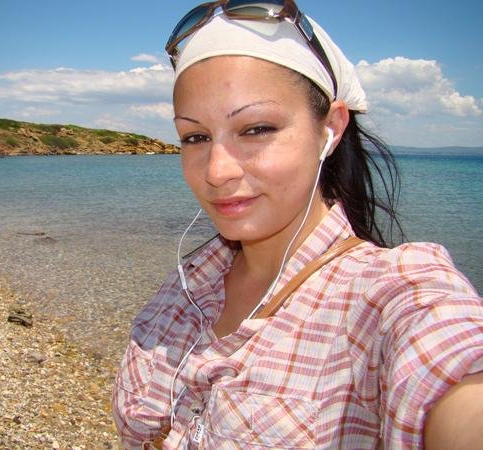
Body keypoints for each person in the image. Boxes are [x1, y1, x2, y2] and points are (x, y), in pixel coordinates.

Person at [112, 1, 483, 448]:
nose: (216, 171)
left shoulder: (390, 293)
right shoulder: (189, 284)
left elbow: (450, 364)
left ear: (331, 128)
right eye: (196, 137)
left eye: (256, 129)